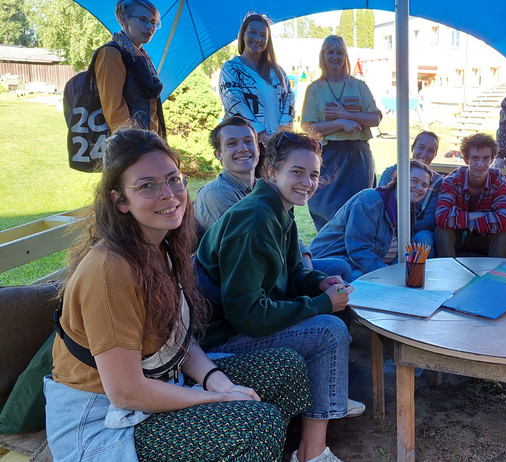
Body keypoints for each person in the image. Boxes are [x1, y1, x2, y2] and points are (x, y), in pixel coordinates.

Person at [46, 127, 309, 461]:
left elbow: (177, 339)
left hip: (159, 385)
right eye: (147, 185)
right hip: (102, 424)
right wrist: (216, 400)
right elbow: (126, 391)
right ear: (120, 201)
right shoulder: (109, 268)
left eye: (173, 179)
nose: (169, 194)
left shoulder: (161, 247)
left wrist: (216, 381)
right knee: (256, 423)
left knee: (286, 368)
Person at [196, 131, 360, 462]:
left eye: (313, 174)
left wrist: (318, 283)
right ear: (272, 172)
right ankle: (311, 453)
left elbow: (292, 275)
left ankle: (328, 397)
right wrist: (319, 304)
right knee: (329, 331)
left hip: (240, 325)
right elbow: (247, 315)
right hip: (216, 341)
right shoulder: (255, 219)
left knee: (332, 301)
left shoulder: (281, 210)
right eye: (297, 172)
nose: (308, 182)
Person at [194, 117, 351, 281]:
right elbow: (246, 254)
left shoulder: (267, 187)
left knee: (340, 268)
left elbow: (291, 235)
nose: (242, 148)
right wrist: (307, 284)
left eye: (248, 142)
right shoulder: (217, 193)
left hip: (278, 263)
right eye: (232, 143)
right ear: (219, 154)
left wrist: (307, 272)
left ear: (258, 148)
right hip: (244, 276)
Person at [302, 35, 383, 231]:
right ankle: (330, 251)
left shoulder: (359, 86)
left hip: (359, 157)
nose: (335, 57)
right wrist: (340, 122)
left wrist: (346, 115)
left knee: (360, 210)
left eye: (340, 52)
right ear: (323, 55)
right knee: (326, 209)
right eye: (331, 52)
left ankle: (357, 250)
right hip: (329, 157)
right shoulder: (315, 89)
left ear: (345, 56)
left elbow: (375, 118)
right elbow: (308, 127)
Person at [310, 160, 433, 280]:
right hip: (332, 262)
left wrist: (399, 273)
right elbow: (359, 250)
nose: (419, 187)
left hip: (364, 266)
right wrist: (389, 275)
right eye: (414, 181)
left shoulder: (408, 210)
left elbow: (401, 252)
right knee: (369, 284)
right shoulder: (369, 202)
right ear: (400, 178)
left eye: (424, 185)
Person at [219, 13, 294, 145]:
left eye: (263, 35)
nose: (258, 39)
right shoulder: (231, 69)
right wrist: (260, 134)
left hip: (278, 144)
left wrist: (282, 131)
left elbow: (289, 99)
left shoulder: (277, 71)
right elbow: (234, 102)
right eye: (252, 32)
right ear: (243, 35)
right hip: (247, 145)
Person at [435, 133, 506, 258]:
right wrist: (479, 216)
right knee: (442, 231)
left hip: (485, 237)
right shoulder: (452, 180)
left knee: (503, 232)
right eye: (475, 158)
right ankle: (447, 273)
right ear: (466, 159)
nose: (481, 164)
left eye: (486, 159)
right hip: (458, 237)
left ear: (492, 160)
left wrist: (474, 223)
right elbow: (441, 216)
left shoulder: (498, 181)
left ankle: (495, 275)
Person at [96, 0, 166, 136]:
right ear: (123, 19)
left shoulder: (142, 57)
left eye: (153, 22)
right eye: (143, 19)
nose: (149, 27)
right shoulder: (111, 54)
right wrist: (133, 147)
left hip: (150, 141)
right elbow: (114, 112)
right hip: (132, 144)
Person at [378, 131, 443, 254]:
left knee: (423, 240)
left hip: (419, 228)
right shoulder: (390, 172)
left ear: (435, 155)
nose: (424, 154)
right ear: (413, 147)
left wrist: (408, 229)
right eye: (421, 147)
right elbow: (381, 206)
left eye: (430, 151)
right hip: (389, 225)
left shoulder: (437, 182)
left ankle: (422, 272)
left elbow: (430, 220)